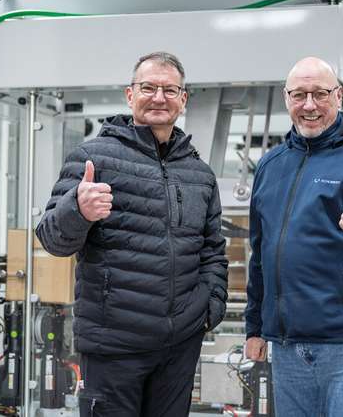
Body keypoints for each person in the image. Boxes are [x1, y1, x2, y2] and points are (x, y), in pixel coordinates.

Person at [36, 52, 228, 417]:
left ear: (183, 99)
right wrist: (77, 209)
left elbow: (212, 250)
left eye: (170, 90)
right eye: (149, 87)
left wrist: (209, 308)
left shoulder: (199, 172)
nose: (159, 97)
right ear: (129, 95)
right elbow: (51, 238)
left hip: (179, 346)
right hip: (114, 347)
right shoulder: (94, 157)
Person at [244, 57, 343, 417]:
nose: (310, 105)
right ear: (286, 99)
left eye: (320, 93)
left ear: (339, 95)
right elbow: (261, 255)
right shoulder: (271, 166)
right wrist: (255, 327)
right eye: (299, 95)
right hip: (287, 347)